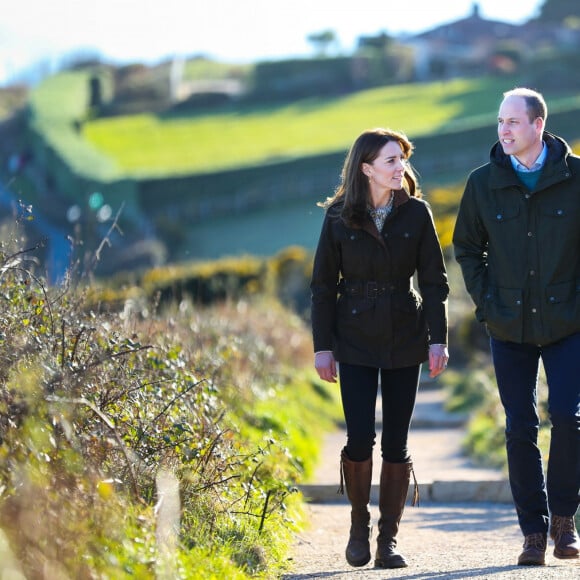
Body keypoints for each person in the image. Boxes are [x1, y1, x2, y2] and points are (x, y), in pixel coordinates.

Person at [310, 128, 449, 569]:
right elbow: (320, 288)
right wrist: (322, 348)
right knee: (358, 438)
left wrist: (438, 338)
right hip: (352, 340)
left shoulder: (418, 214)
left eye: (402, 159)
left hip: (405, 335)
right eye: (391, 160)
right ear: (366, 168)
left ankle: (387, 539)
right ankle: (357, 524)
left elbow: (434, 283)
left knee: (396, 440)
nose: (400, 167)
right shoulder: (337, 216)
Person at [453, 87, 580, 566]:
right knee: (519, 426)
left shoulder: (577, 177)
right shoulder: (482, 183)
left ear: (537, 126)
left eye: (512, 122)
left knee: (568, 417)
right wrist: (487, 303)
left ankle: (565, 520)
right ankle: (533, 531)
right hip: (508, 326)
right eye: (500, 122)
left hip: (570, 321)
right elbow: (467, 247)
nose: (503, 130)